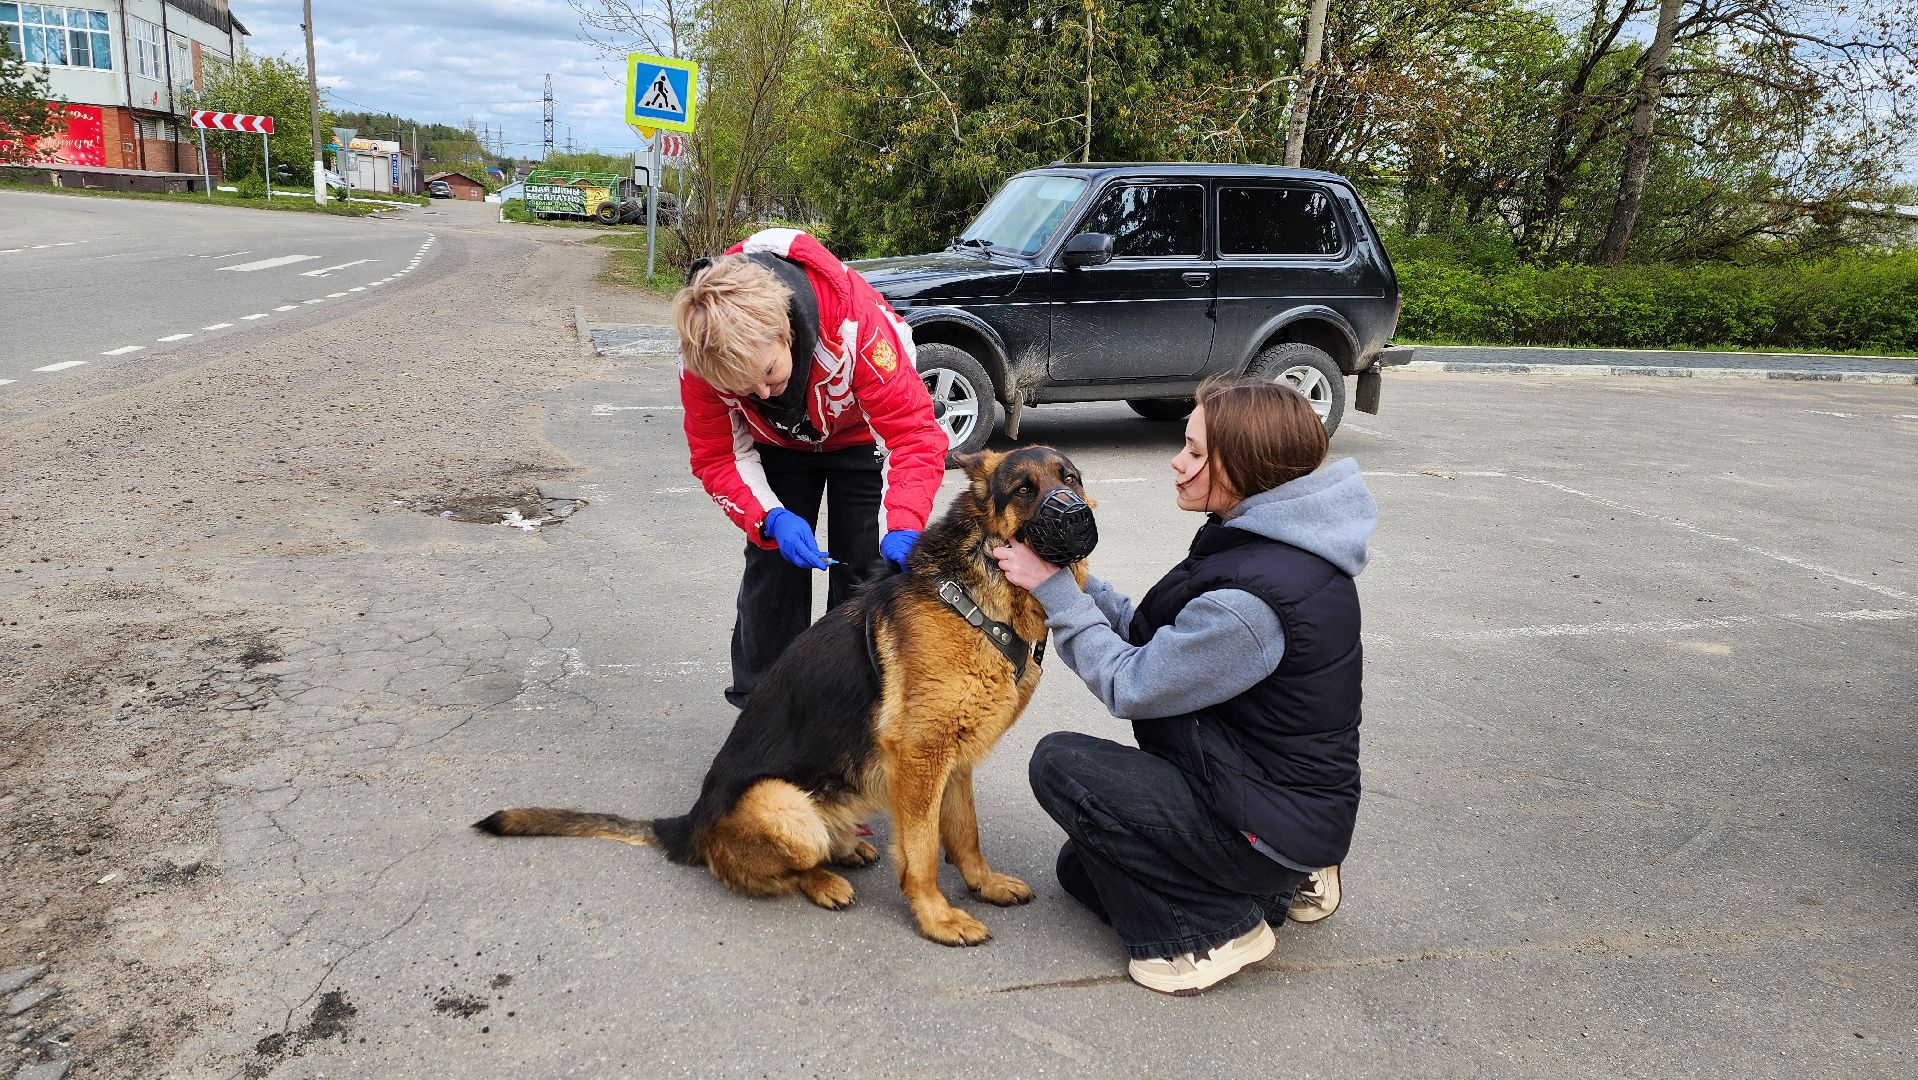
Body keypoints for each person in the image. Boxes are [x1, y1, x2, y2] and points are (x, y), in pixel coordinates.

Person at [993, 377, 1375, 996]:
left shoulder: (1250, 604)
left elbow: (1131, 682)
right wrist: (1073, 581)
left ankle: (1214, 931)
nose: (1176, 461)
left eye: (1195, 452)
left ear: (1246, 466)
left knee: (1062, 764)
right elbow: (1155, 633)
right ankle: (1277, 885)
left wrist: (1053, 593)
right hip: (1263, 789)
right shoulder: (1267, 537)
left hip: (1266, 822)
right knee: (1081, 868)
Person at [676, 229, 947, 708]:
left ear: (785, 329)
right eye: (745, 389)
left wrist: (905, 523)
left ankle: (854, 705)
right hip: (777, 442)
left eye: (767, 374)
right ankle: (764, 705)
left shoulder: (856, 327)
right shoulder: (704, 361)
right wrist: (770, 518)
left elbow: (912, 435)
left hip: (861, 434)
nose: (763, 395)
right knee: (773, 564)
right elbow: (717, 457)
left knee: (865, 569)